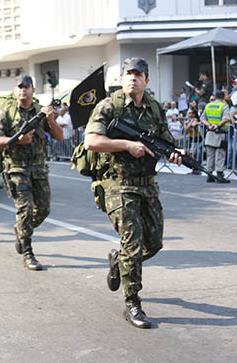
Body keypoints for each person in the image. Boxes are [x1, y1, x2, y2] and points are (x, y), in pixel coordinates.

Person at [84, 57, 183, 329]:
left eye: (139, 75)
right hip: (118, 184)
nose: (133, 79)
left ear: (146, 80)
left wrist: (176, 154)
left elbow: (165, 142)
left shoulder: (153, 107)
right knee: (133, 242)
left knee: (154, 243)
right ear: (121, 77)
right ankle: (133, 303)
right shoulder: (108, 106)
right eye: (129, 74)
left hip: (147, 183)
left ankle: (118, 261)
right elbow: (92, 141)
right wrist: (127, 145)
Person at [0, 75, 63, 271]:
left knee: (44, 209)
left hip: (38, 167)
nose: (23, 90)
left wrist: (50, 118)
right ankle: (28, 251)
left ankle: (21, 230)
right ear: (15, 90)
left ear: (33, 89)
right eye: (20, 87)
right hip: (16, 167)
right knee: (25, 208)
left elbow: (59, 136)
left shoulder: (41, 111)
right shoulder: (7, 112)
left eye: (27, 86)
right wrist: (17, 140)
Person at [200, 89, 231, 183]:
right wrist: (217, 125)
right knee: (220, 155)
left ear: (215, 96)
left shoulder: (208, 105)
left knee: (210, 155)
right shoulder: (224, 106)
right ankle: (219, 175)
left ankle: (209, 175)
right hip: (220, 133)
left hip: (210, 133)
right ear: (223, 97)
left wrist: (209, 125)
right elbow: (226, 118)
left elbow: (202, 118)